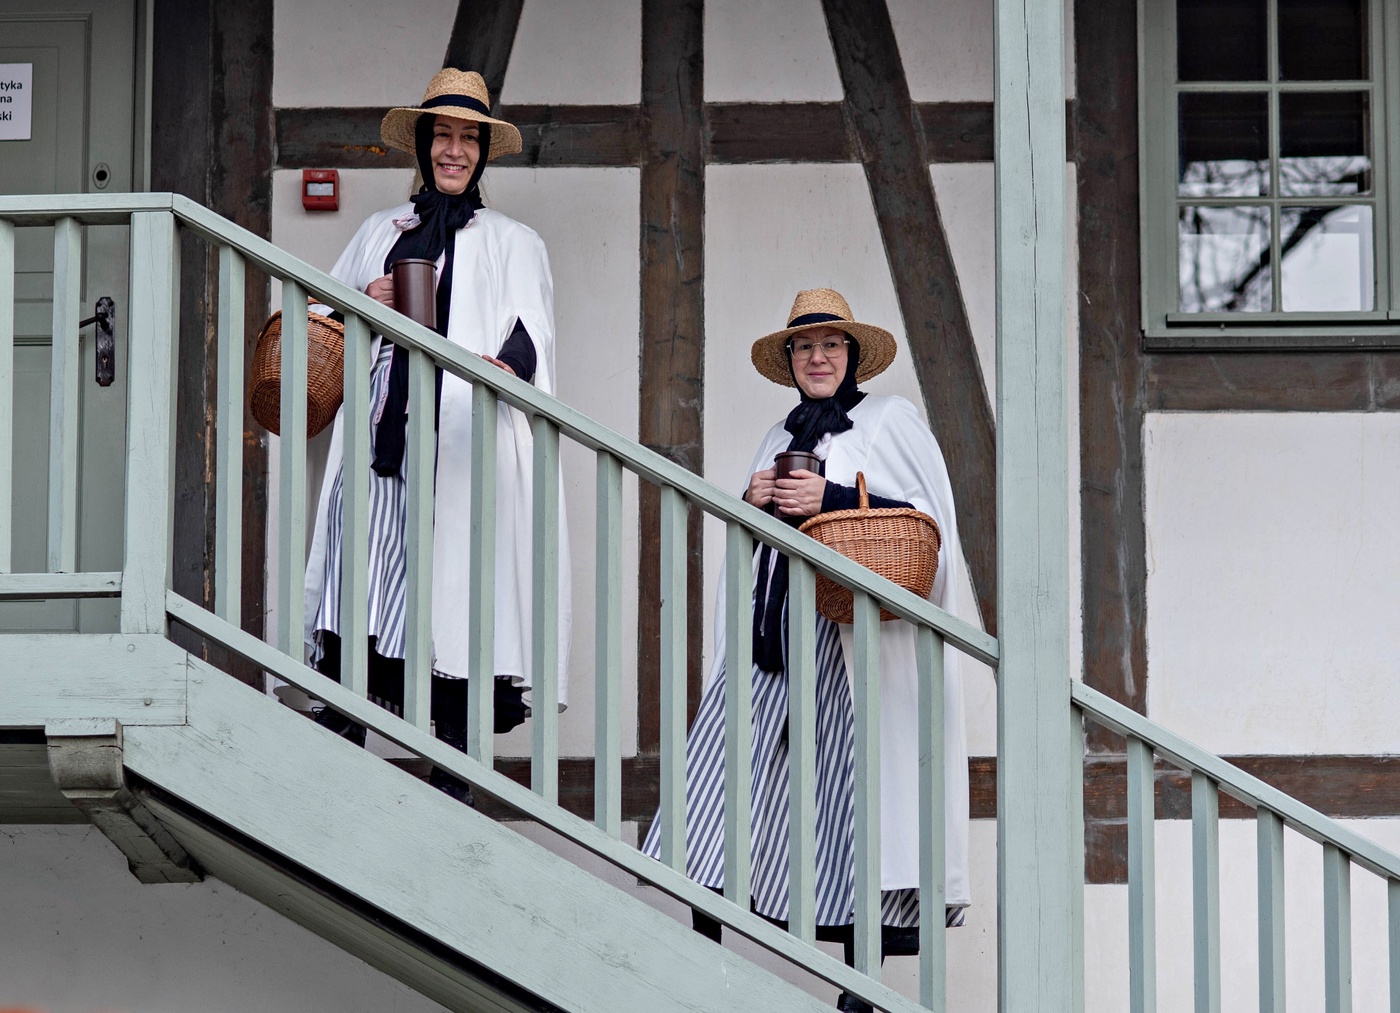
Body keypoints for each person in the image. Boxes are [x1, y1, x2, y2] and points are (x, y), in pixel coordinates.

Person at [642, 289, 969, 1013]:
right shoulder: (776, 433)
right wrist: (749, 500)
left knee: (856, 799)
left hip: (848, 636)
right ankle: (704, 951)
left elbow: (924, 527)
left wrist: (831, 495)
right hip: (774, 638)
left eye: (831, 344)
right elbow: (758, 543)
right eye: (804, 346)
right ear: (790, 361)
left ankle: (863, 986)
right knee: (719, 773)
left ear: (853, 356)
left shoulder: (890, 420)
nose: (818, 357)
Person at [302, 68, 571, 802]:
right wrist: (365, 297)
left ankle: (452, 768)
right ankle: (337, 735)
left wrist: (502, 366)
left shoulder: (513, 240)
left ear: (484, 153)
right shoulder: (376, 233)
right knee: (362, 576)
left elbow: (532, 336)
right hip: (379, 434)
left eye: (467, 139)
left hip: (460, 442)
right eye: (442, 135)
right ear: (422, 146)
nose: (454, 151)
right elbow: (318, 331)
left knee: (455, 593)